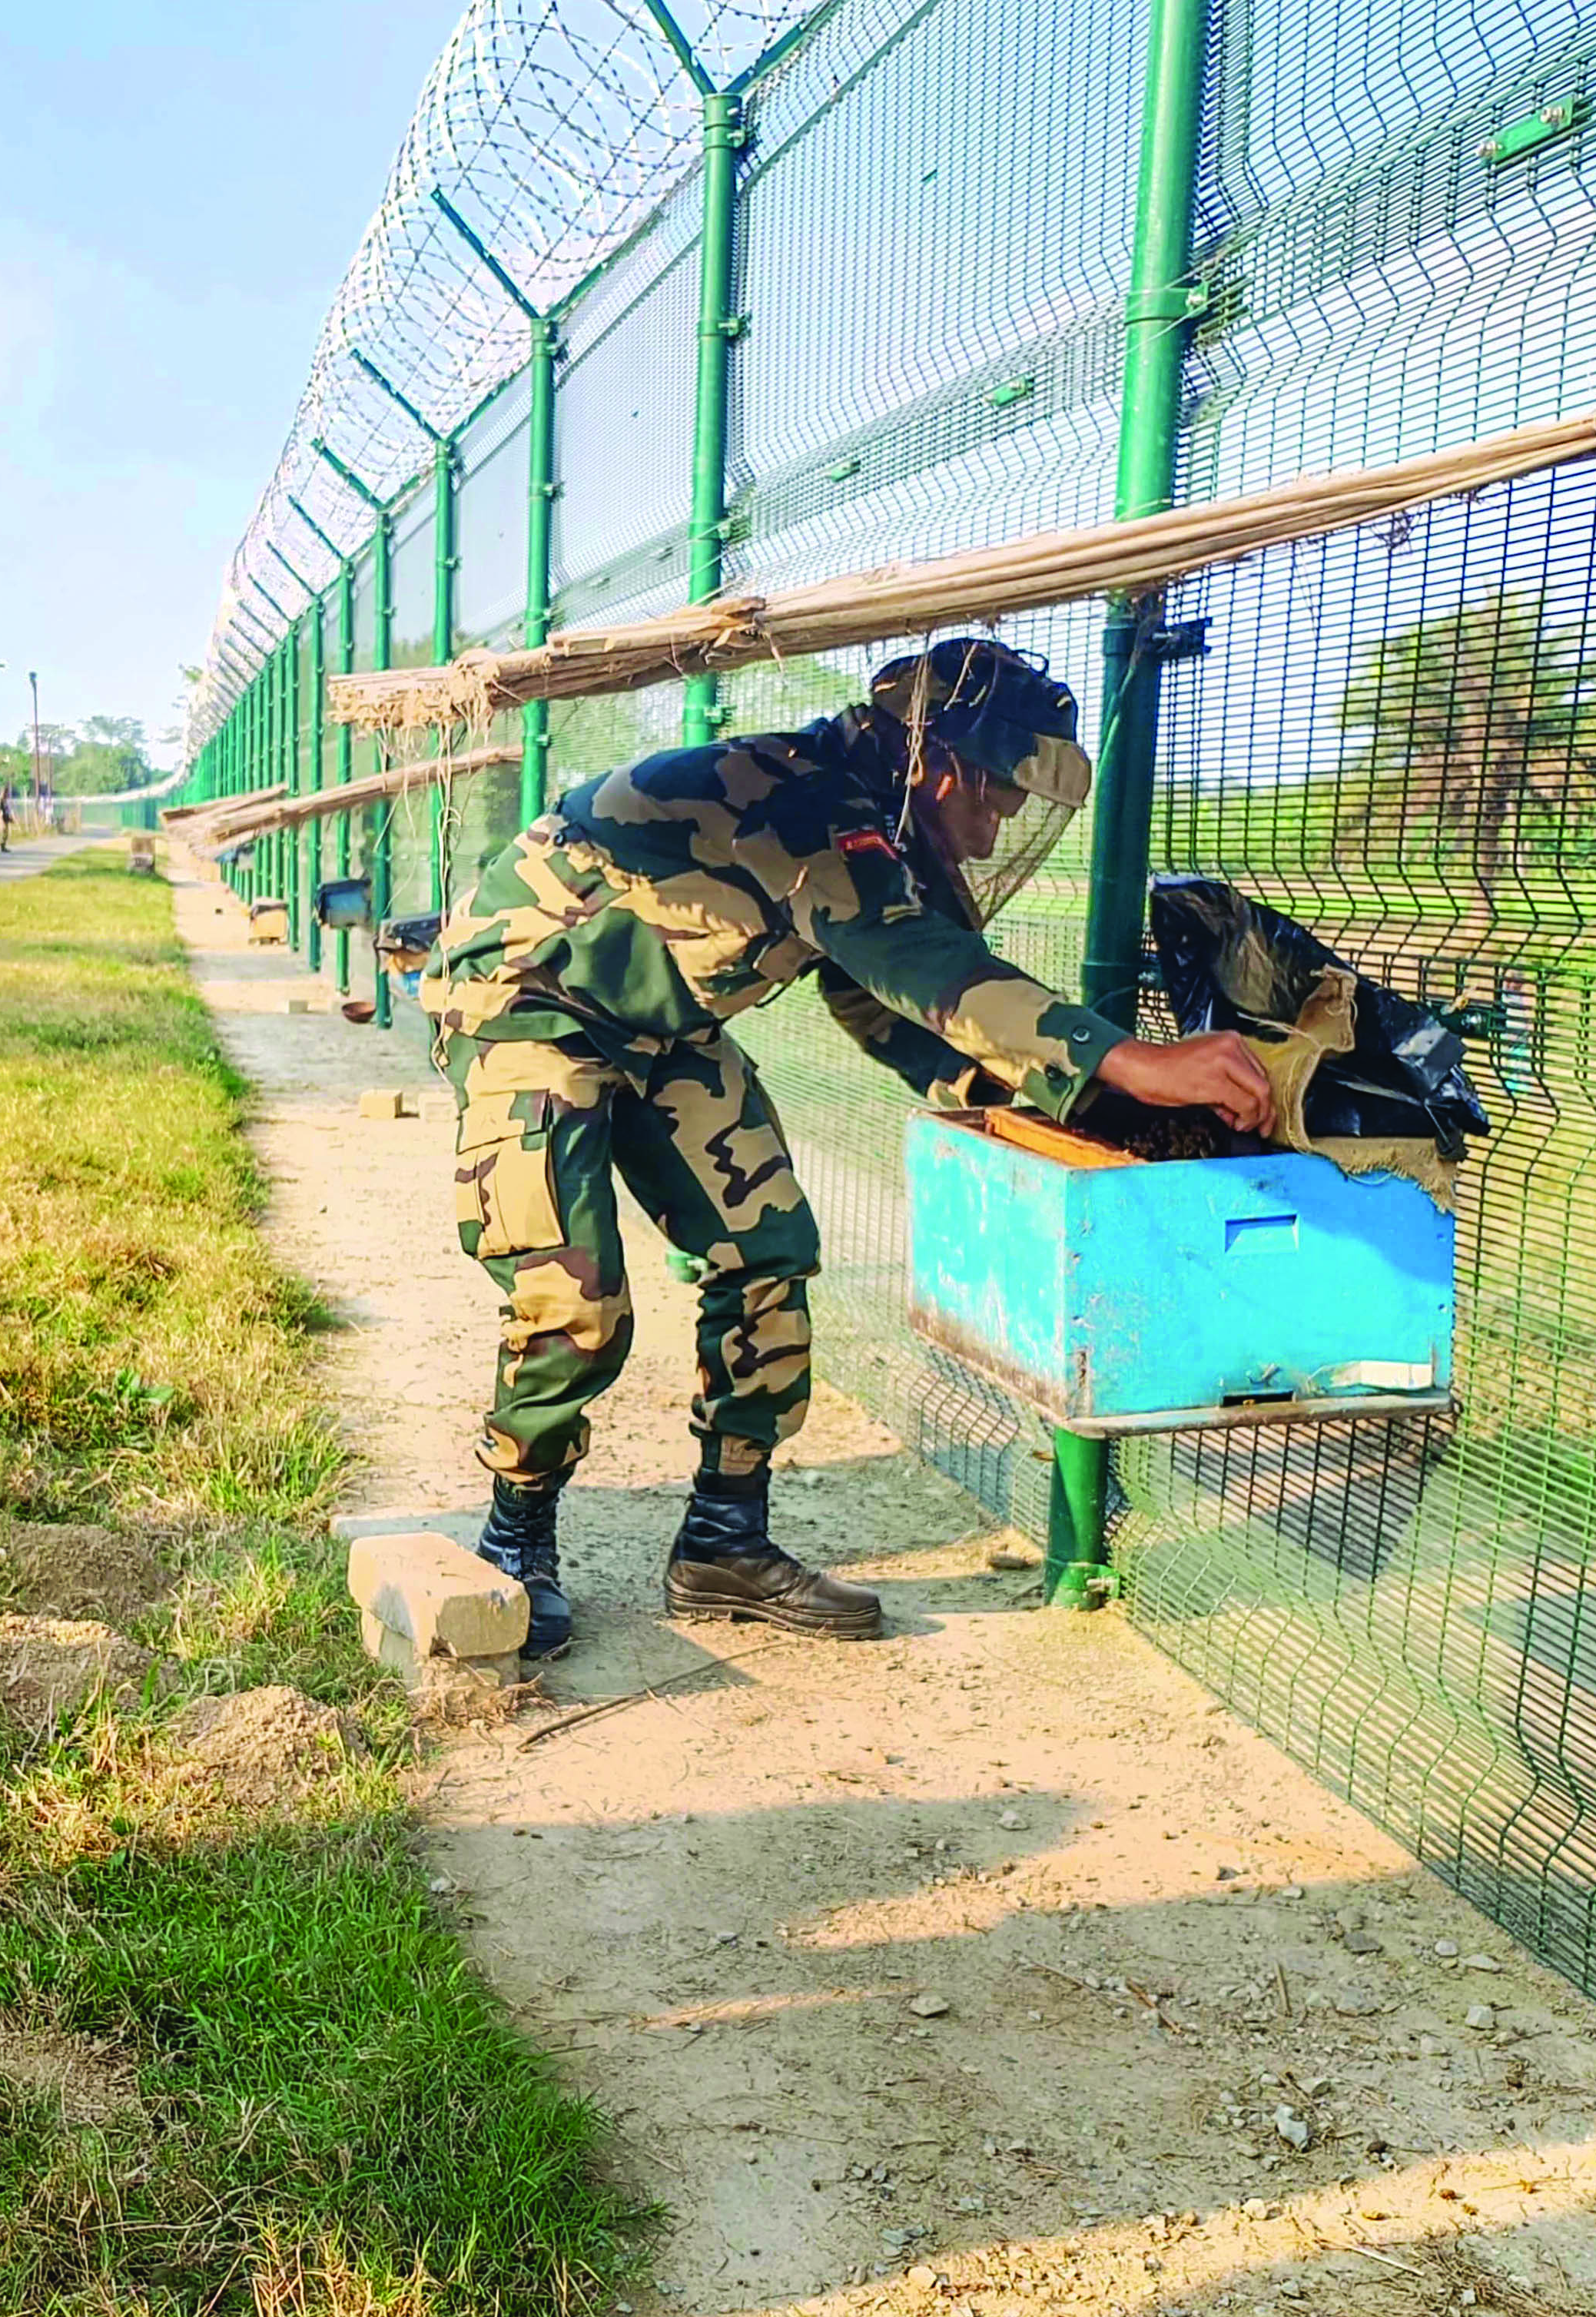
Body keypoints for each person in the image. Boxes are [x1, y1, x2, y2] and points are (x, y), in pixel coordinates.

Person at [425, 637, 1276, 1658]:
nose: (1002, 822)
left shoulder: (874, 818)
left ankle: (722, 1543)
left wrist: (1082, 1108)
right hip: (526, 1007)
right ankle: (516, 1532)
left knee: (768, 1251)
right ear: (944, 765)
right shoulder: (806, 804)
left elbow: (880, 1008)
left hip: (662, 1030)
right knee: (575, 1302)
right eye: (1001, 794)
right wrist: (1132, 1061)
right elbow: (921, 966)